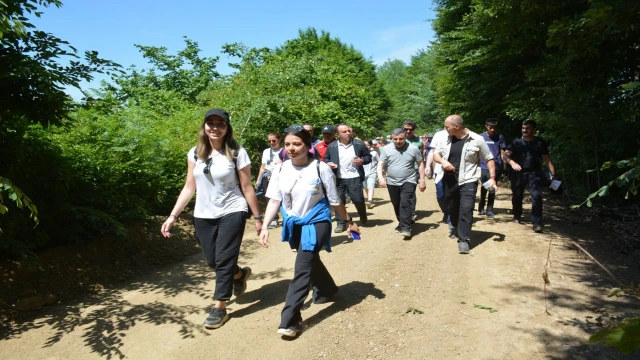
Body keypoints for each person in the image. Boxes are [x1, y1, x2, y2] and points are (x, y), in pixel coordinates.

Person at [160, 108, 262, 329]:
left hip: (233, 210)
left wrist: (258, 217)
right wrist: (173, 216)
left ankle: (219, 308)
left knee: (224, 259)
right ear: (204, 126)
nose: (215, 127)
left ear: (227, 127)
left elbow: (247, 187)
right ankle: (238, 275)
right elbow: (189, 187)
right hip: (203, 214)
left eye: (220, 123)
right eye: (211, 123)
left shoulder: (237, 152)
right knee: (212, 261)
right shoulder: (195, 153)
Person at [259, 126, 360, 338]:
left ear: (307, 146)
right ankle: (328, 289)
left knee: (302, 267)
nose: (291, 148)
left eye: (297, 144)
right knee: (310, 259)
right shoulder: (280, 169)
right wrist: (265, 226)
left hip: (317, 221)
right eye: (288, 144)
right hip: (293, 222)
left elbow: (334, 200)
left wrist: (348, 220)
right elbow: (275, 200)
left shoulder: (320, 168)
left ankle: (290, 319)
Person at [433, 115, 497, 254]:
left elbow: (489, 159)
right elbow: (435, 155)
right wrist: (443, 162)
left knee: (466, 208)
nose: (445, 128)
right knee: (452, 207)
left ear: (457, 126)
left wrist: (492, 178)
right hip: (449, 180)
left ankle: (464, 240)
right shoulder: (445, 138)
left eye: (447, 126)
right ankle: (456, 226)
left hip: (468, 179)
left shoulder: (477, 139)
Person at [504, 119, 557, 233]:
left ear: (534, 129)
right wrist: (512, 163)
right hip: (518, 173)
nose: (525, 130)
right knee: (517, 195)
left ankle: (537, 222)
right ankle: (517, 215)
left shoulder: (539, 142)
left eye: (528, 128)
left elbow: (547, 159)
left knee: (537, 196)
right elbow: (506, 155)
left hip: (535, 173)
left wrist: (553, 174)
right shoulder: (515, 141)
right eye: (523, 128)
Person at [377, 129, 426, 239]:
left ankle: (406, 227)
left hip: (409, 180)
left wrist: (422, 180)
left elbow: (420, 164)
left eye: (401, 139)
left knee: (405, 202)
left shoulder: (413, 149)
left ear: (405, 138)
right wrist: (380, 177)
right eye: (395, 139)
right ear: (392, 138)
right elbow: (380, 164)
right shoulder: (386, 149)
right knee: (396, 204)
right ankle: (402, 222)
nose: (398, 141)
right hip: (392, 181)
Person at [324, 124, 371, 232]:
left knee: (357, 199)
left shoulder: (358, 144)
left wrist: (362, 161)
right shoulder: (332, 146)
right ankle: (341, 223)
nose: (348, 133)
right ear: (337, 134)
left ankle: (363, 215)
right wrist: (328, 163)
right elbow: (326, 159)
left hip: (354, 176)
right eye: (344, 132)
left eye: (348, 131)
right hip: (338, 177)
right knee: (339, 200)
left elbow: (368, 157)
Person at [477, 119, 507, 217]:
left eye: (494, 127)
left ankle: (490, 209)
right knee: (485, 186)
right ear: (486, 126)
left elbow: (502, 151)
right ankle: (481, 205)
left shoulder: (500, 137)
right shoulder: (481, 137)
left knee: (492, 188)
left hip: (497, 165)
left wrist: (504, 164)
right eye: (490, 127)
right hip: (484, 165)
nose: (493, 129)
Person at [256, 131, 283, 228]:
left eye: (274, 140)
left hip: (281, 177)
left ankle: (285, 216)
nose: (271, 143)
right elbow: (263, 166)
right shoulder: (266, 152)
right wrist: (258, 180)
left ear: (279, 139)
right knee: (269, 197)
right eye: (269, 141)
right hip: (267, 177)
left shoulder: (284, 150)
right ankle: (273, 219)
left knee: (283, 197)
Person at [425, 129, 450, 223]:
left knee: (453, 194)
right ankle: (446, 212)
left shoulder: (460, 134)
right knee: (440, 195)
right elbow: (432, 151)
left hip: (455, 170)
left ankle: (452, 215)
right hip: (439, 170)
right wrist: (428, 165)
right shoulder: (438, 135)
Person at [403, 120, 424, 221]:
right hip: (401, 169)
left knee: (410, 191)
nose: (407, 131)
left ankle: (410, 213)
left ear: (414, 129)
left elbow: (421, 157)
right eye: (405, 129)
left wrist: (422, 173)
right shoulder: (399, 139)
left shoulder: (419, 142)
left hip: (414, 169)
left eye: (410, 129)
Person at [362, 139, 379, 208]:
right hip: (363, 173)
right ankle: (369, 197)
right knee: (366, 187)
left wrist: (379, 172)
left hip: (372, 172)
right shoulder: (360, 153)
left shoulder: (374, 153)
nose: (366, 146)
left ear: (371, 145)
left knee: (370, 186)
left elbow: (379, 161)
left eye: (368, 145)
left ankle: (369, 200)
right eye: (364, 145)